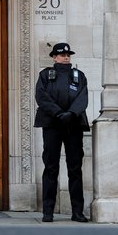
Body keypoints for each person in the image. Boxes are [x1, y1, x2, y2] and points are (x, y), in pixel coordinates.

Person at [34, 42, 90, 223]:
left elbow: (83, 97)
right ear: (54, 57)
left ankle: (77, 211)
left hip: (73, 124)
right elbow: (41, 96)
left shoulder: (79, 76)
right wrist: (58, 113)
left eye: (68, 55)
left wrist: (71, 114)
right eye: (62, 55)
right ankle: (48, 211)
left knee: (75, 169)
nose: (66, 57)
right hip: (52, 124)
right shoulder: (45, 75)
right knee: (51, 167)